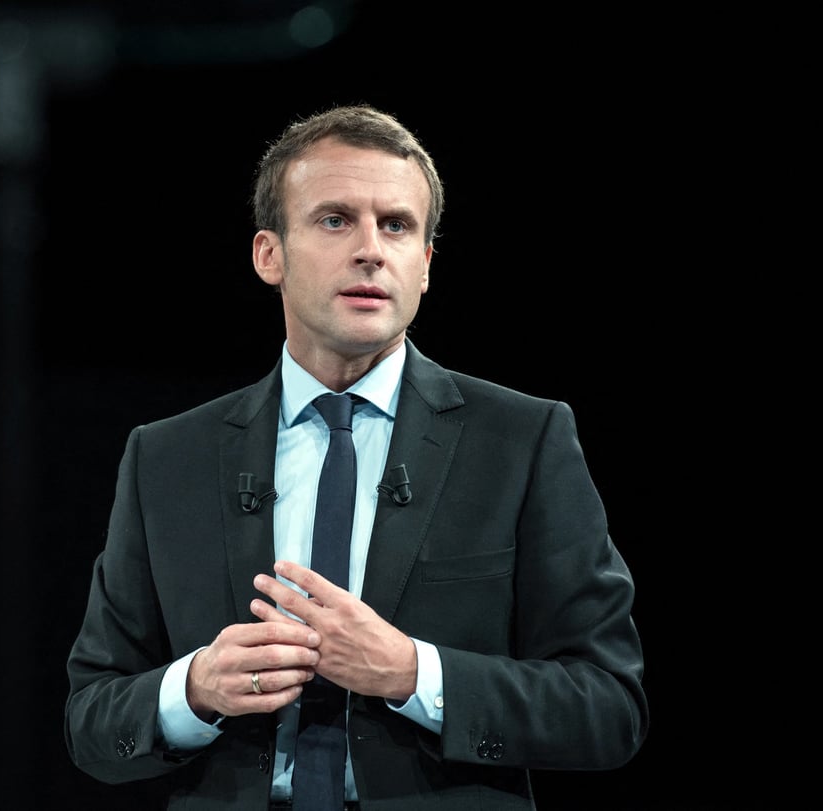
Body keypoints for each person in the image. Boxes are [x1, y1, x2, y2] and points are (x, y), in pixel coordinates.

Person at [64, 103, 648, 810]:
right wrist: (191, 689)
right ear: (267, 254)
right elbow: (92, 721)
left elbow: (607, 707)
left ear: (425, 265)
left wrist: (412, 672)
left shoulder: (522, 441)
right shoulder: (166, 456)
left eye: (396, 225)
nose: (371, 248)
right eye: (335, 219)